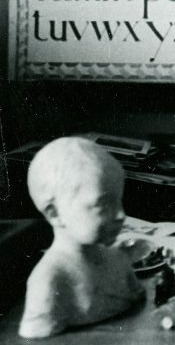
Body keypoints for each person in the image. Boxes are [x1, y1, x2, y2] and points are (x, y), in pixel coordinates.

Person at [19, 137, 144, 339]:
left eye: (118, 200)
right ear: (55, 214)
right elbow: (37, 331)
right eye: (103, 204)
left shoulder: (118, 259)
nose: (121, 215)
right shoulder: (50, 279)